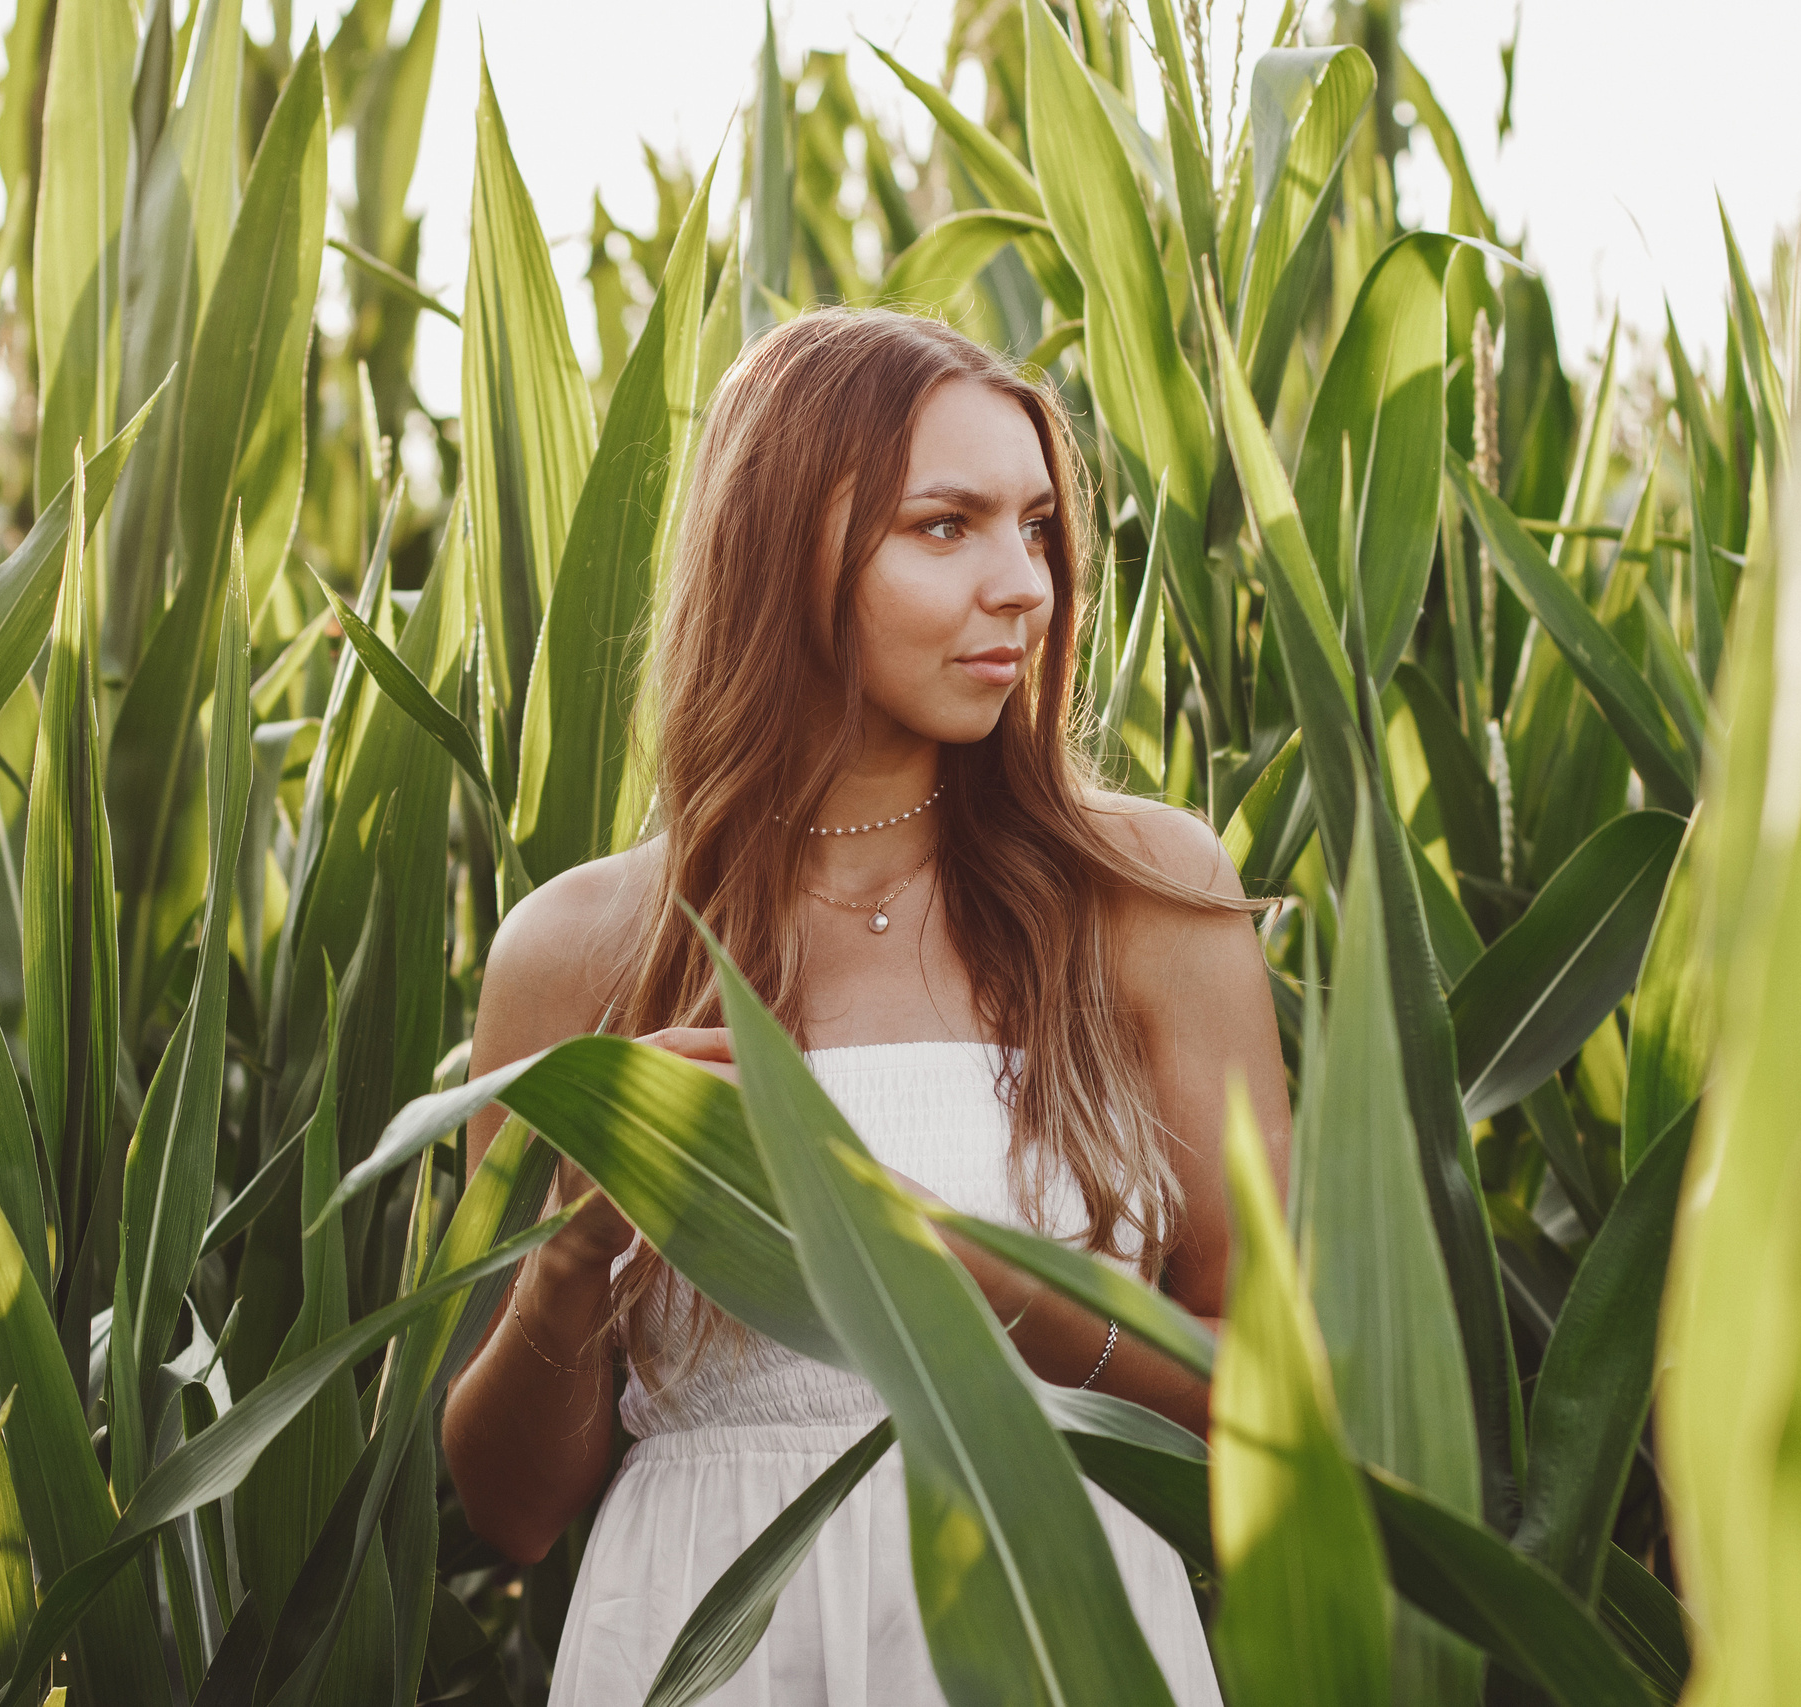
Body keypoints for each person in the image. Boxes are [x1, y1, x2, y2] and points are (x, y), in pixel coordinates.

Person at [442, 307, 1290, 1706]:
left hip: (1055, 1639)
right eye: (946, 527)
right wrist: (574, 1247)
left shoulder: (1147, 900)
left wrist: (930, 1257)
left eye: (1037, 528)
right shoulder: (582, 948)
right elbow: (509, 1510)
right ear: (784, 553)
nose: (1023, 583)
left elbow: (1260, 1409)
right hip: (707, 1652)